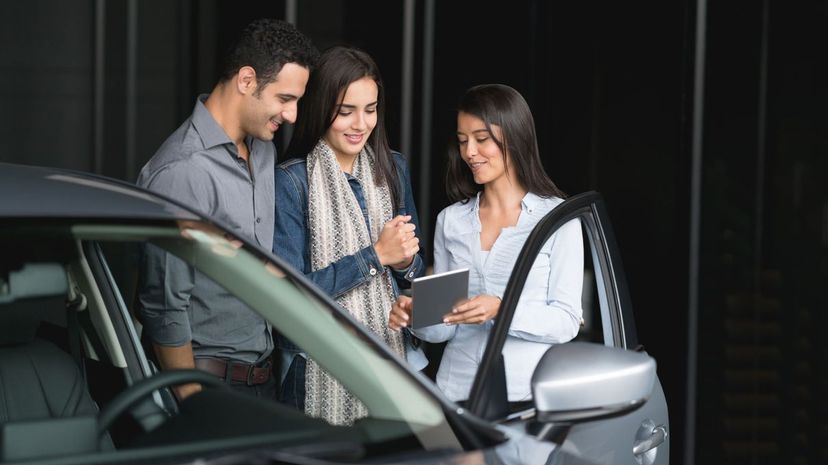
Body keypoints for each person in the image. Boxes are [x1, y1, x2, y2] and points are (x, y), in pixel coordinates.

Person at [136, 19, 318, 401]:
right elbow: (164, 308)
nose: (293, 116)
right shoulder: (183, 171)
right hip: (207, 387)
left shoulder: (264, 151)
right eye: (285, 99)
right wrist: (193, 403)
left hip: (263, 381)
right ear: (247, 80)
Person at [388, 84, 584, 402]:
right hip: (456, 391)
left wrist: (500, 309)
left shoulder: (558, 220)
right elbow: (443, 328)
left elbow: (566, 321)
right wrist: (417, 315)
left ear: (514, 137)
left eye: (481, 139)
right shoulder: (450, 220)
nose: (469, 153)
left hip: (528, 397)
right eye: (463, 141)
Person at [272, 46, 425, 424]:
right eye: (346, 112)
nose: (360, 124)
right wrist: (375, 257)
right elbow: (288, 297)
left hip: (393, 366)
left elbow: (417, 273)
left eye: (370, 110)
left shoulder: (393, 168)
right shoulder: (291, 182)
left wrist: (406, 264)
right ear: (321, 108)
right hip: (314, 372)